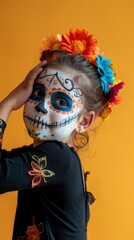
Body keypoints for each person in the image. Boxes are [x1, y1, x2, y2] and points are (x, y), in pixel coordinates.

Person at [0, 29, 124, 240]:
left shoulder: (57, 157)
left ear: (84, 121)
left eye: (60, 102)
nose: (41, 107)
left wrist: (8, 104)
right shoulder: (44, 155)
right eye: (37, 93)